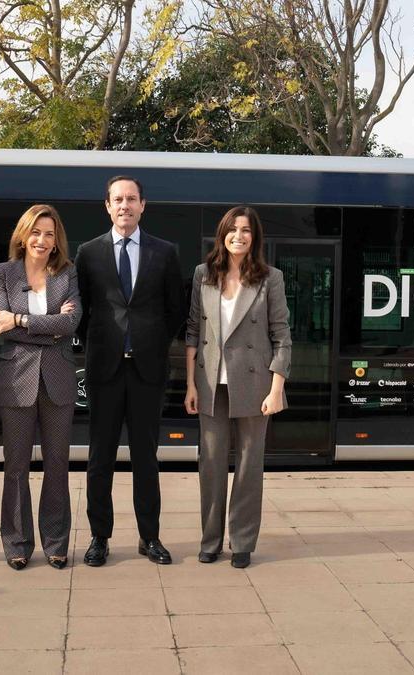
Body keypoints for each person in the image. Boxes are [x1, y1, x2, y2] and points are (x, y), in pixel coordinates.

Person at [76, 175, 185, 566]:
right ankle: (99, 538)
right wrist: (105, 343)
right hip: (104, 371)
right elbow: (84, 311)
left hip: (147, 372)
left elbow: (175, 309)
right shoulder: (88, 253)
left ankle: (149, 537)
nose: (125, 205)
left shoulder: (165, 252)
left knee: (146, 458)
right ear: (107, 206)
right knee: (99, 458)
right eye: (118, 199)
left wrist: (149, 342)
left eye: (132, 199)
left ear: (143, 205)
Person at [184, 206, 291, 568]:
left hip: (256, 385)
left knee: (248, 466)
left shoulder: (270, 278)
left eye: (246, 230)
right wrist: (190, 385)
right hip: (210, 382)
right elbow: (193, 334)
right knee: (211, 465)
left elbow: (282, 336)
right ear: (222, 234)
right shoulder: (204, 274)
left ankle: (242, 541)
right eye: (233, 229)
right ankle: (210, 541)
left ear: (254, 237)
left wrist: (277, 389)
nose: (239, 236)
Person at [0, 204, 82, 570]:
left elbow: (72, 323)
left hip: (58, 381)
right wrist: (50, 326)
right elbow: (1, 325)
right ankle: (17, 543)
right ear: (23, 235)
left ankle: (56, 542)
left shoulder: (68, 274)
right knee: (15, 466)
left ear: (56, 240)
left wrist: (23, 319)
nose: (41, 240)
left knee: (57, 465)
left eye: (48, 233)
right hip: (16, 381)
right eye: (35, 232)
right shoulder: (3, 274)